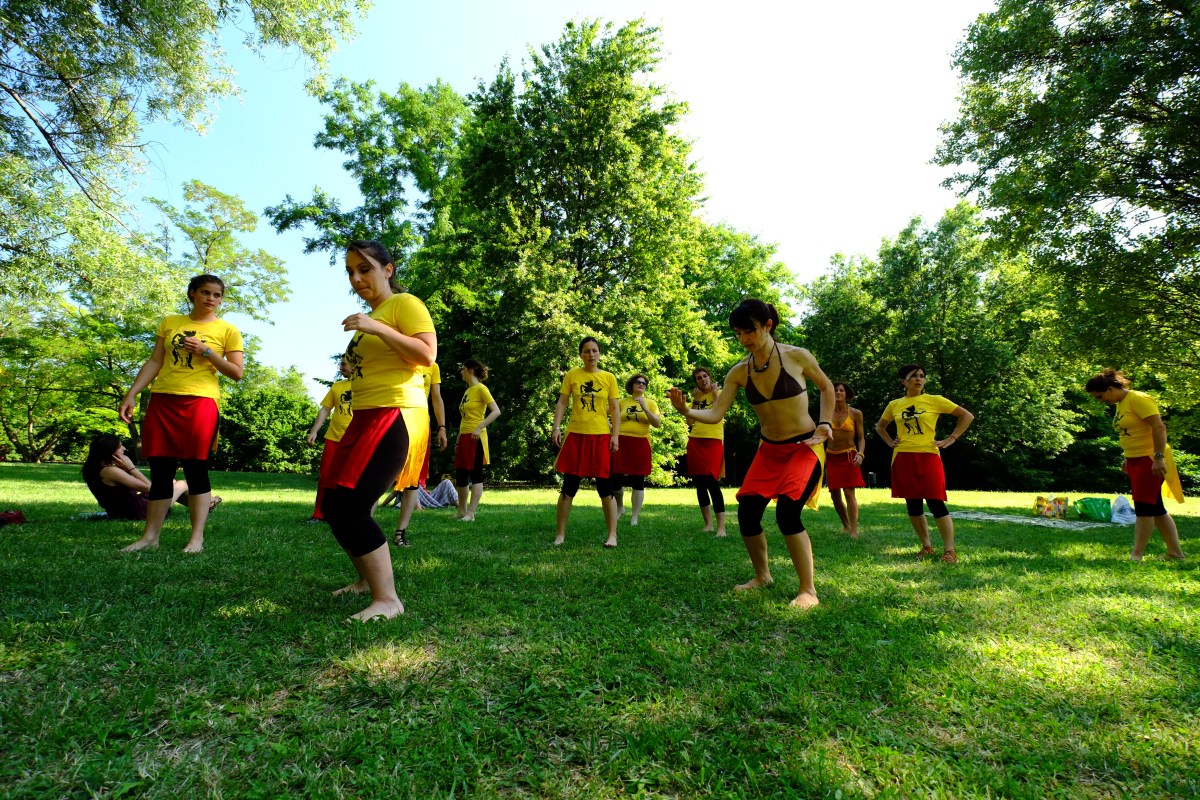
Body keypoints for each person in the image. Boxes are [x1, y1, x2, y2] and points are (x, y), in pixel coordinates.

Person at [669, 299, 834, 609]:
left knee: (788, 514)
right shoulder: (739, 372)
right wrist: (686, 410)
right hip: (769, 450)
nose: (744, 339)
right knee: (747, 513)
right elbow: (715, 414)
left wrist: (825, 422)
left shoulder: (797, 356)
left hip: (804, 447)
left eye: (750, 331)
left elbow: (827, 388)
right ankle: (762, 576)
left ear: (768, 325)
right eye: (738, 333)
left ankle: (808, 590)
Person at [321, 240, 436, 621]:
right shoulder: (374, 316)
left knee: (353, 506)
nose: (356, 278)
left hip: (395, 412)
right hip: (364, 415)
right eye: (350, 272)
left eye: (365, 269)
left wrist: (374, 326)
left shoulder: (404, 304)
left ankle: (388, 600)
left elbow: (426, 354)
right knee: (334, 505)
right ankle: (365, 581)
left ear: (388, 269)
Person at [118, 274, 244, 552]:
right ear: (192, 294)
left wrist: (207, 351)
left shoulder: (228, 330)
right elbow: (155, 361)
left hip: (200, 404)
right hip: (163, 401)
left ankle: (196, 539)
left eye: (217, 295)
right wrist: (132, 393)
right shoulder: (170, 322)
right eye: (205, 292)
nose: (211, 299)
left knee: (195, 468)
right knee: (160, 470)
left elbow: (237, 373)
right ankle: (150, 538)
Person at [874, 364, 973, 564]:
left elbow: (967, 416)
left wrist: (951, 438)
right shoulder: (895, 404)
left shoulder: (934, 400)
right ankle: (926, 547)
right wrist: (890, 442)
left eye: (921, 376)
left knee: (936, 502)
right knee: (913, 504)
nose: (918, 379)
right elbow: (880, 427)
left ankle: (950, 551)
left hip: (929, 456)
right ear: (903, 382)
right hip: (903, 457)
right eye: (913, 376)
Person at [1086, 369, 1185, 561]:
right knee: (1156, 509)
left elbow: (1159, 427)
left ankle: (1136, 555)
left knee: (1144, 508)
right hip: (1135, 459)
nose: (1100, 401)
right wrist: (1127, 457)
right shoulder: (1121, 403)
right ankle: (1175, 553)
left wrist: (1158, 457)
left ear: (1110, 388)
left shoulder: (1138, 399)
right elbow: (1132, 432)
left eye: (1100, 396)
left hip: (1149, 459)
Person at [552, 336, 621, 547]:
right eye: (586, 351)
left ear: (599, 353)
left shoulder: (609, 378)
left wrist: (615, 435)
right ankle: (560, 534)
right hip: (576, 435)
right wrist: (556, 427)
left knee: (605, 487)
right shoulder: (572, 375)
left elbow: (615, 409)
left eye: (594, 350)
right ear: (581, 355)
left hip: (600, 436)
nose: (591, 354)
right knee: (569, 485)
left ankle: (612, 535)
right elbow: (562, 402)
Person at [384, 361, 448, 547]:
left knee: (413, 480)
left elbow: (436, 398)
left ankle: (400, 533)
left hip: (420, 425)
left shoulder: (432, 366)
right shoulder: (398, 357)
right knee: (382, 473)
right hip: (394, 419)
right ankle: (362, 528)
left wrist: (442, 427)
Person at [81, 434, 210, 519]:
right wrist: (131, 468)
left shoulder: (97, 469)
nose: (124, 449)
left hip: (121, 511)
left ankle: (205, 505)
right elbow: (150, 489)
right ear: (110, 451)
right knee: (181, 484)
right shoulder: (110, 471)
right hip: (137, 512)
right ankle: (205, 504)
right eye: (120, 446)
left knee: (171, 482)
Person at [305, 356, 353, 523]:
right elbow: (325, 409)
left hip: (356, 440)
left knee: (351, 479)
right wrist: (314, 431)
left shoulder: (367, 386)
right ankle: (319, 513)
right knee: (325, 477)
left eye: (344, 364)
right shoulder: (337, 386)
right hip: (334, 438)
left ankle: (345, 514)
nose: (340, 367)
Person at [454, 359, 502, 521]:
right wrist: (458, 440)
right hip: (464, 437)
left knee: (476, 474)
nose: (461, 372)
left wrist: (479, 427)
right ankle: (461, 511)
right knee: (460, 474)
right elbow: (464, 418)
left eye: (463, 369)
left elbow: (496, 411)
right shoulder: (468, 391)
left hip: (476, 437)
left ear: (471, 370)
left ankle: (471, 513)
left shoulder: (481, 389)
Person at [611, 373, 661, 525]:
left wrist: (644, 407)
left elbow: (657, 423)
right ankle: (620, 508)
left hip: (641, 443)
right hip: (621, 442)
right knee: (615, 477)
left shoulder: (651, 403)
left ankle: (634, 517)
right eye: (638, 382)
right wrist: (608, 427)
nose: (641, 384)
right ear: (631, 385)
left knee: (638, 480)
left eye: (644, 383)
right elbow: (604, 413)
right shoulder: (621, 402)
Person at [686, 367, 727, 537]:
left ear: (710, 377)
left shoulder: (721, 394)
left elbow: (718, 413)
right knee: (700, 482)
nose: (703, 379)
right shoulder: (696, 397)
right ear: (696, 382)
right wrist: (695, 401)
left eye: (705, 376)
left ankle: (721, 527)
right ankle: (708, 524)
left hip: (713, 441)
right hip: (695, 440)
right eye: (698, 378)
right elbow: (689, 422)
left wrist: (715, 394)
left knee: (711, 481)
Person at [826, 382, 866, 538]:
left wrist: (860, 454)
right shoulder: (826, 412)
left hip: (849, 456)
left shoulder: (856, 413)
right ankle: (846, 525)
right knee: (834, 495)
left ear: (846, 394)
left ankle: (854, 530)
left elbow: (861, 438)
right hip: (831, 456)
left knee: (849, 493)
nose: (838, 392)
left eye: (841, 390)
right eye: (835, 390)